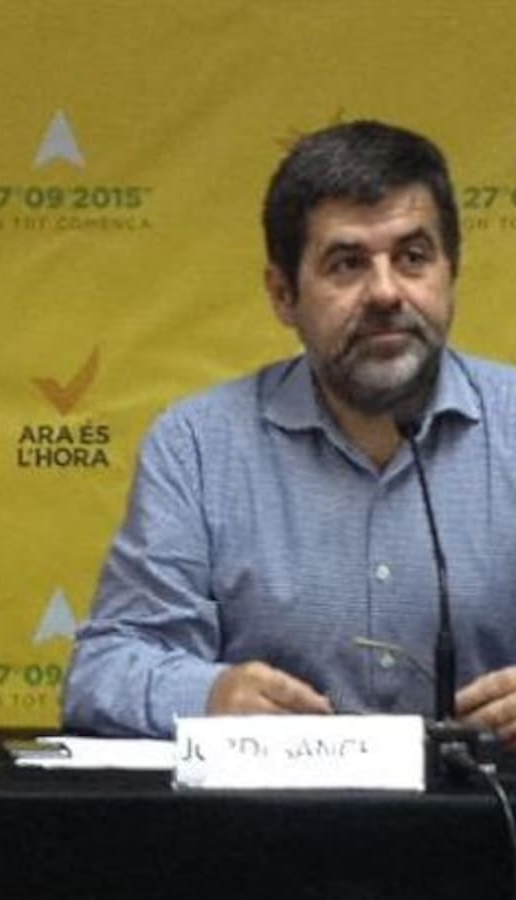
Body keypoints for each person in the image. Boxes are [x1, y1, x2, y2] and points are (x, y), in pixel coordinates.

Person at [64, 120, 516, 744]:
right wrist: (207, 696)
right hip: (276, 806)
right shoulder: (199, 446)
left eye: (413, 258)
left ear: (451, 273)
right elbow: (104, 669)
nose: (386, 292)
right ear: (283, 295)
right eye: (347, 264)